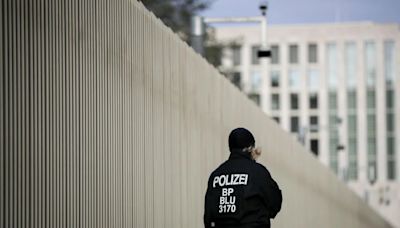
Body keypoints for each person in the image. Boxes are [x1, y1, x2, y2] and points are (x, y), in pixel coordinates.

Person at [204, 128, 282, 228]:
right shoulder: (258, 172)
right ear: (250, 148)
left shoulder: (215, 175)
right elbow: (275, 204)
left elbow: (208, 216)